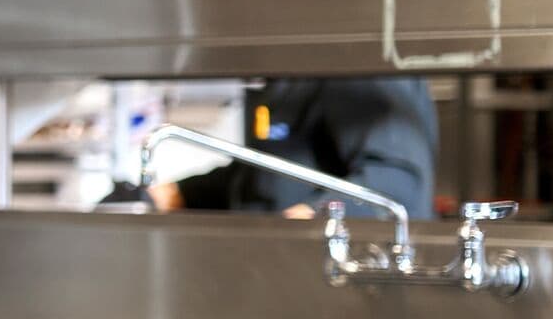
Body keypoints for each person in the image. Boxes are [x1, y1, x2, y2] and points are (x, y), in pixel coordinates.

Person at [147, 77, 439, 218]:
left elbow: (396, 184)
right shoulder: (281, 79)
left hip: (336, 282)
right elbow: (268, 172)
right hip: (270, 275)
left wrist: (310, 216)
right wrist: (182, 193)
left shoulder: (358, 72)